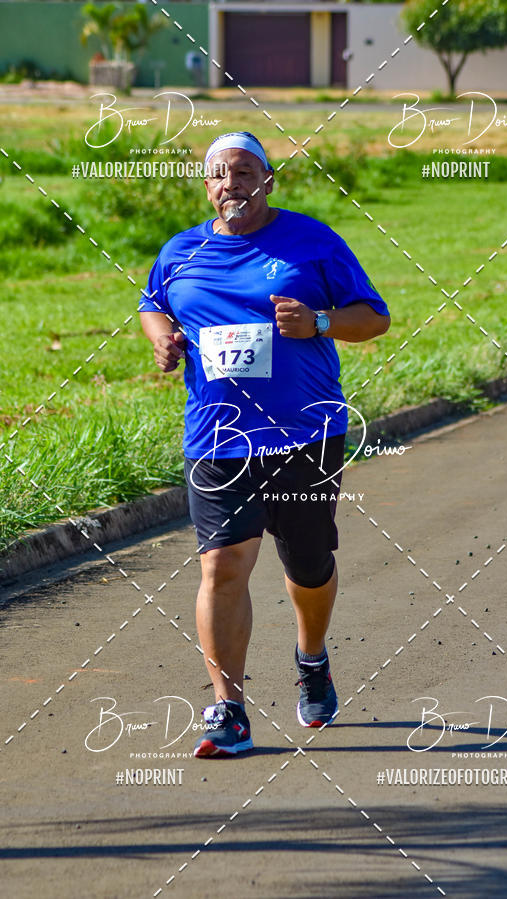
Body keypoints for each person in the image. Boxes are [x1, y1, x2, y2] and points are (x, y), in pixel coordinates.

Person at [139, 131, 390, 758]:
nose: (234, 184)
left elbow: (375, 316)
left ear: (268, 180)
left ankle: (312, 659)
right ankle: (229, 708)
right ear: (208, 187)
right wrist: (162, 336)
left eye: (246, 171)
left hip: (305, 431)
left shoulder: (313, 242)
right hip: (217, 437)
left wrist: (320, 323)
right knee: (222, 565)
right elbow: (151, 303)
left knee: (307, 565)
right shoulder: (181, 252)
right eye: (221, 174)